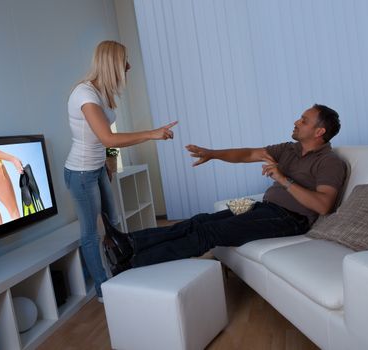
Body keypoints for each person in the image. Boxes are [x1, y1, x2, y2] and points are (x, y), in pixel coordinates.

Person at [102, 104, 347, 273]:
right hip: (261, 206)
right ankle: (130, 242)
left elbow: (323, 205)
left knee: (211, 233)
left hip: (289, 219)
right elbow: (250, 153)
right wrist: (213, 154)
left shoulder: (330, 162)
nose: (296, 121)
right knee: (200, 221)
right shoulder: (289, 148)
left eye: (303, 120)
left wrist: (283, 179)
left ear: (319, 131)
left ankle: (132, 262)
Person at [64, 40, 177, 300]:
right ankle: (103, 289)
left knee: (113, 222)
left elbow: (108, 135)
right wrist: (152, 133)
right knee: (91, 233)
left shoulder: (103, 94)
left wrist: (111, 162)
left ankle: (120, 270)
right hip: (81, 174)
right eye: (124, 61)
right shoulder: (85, 94)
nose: (129, 66)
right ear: (112, 63)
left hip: (99, 168)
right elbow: (108, 138)